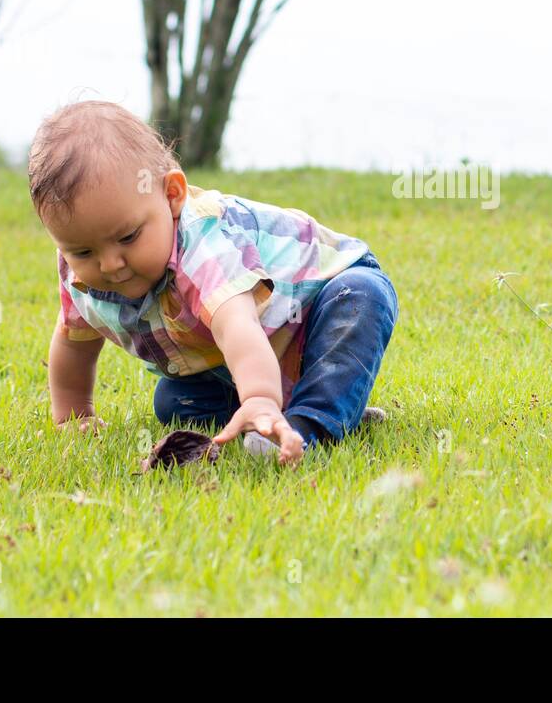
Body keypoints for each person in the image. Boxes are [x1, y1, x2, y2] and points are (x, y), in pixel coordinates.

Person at [27, 100, 398, 466]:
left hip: (317, 305)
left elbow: (237, 324)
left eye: (127, 238)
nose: (109, 264)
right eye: (82, 251)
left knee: (363, 296)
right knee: (173, 402)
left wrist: (258, 398)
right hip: (242, 355)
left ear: (172, 195)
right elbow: (73, 342)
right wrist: (74, 417)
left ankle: (308, 424)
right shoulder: (79, 274)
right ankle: (320, 403)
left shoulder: (203, 243)